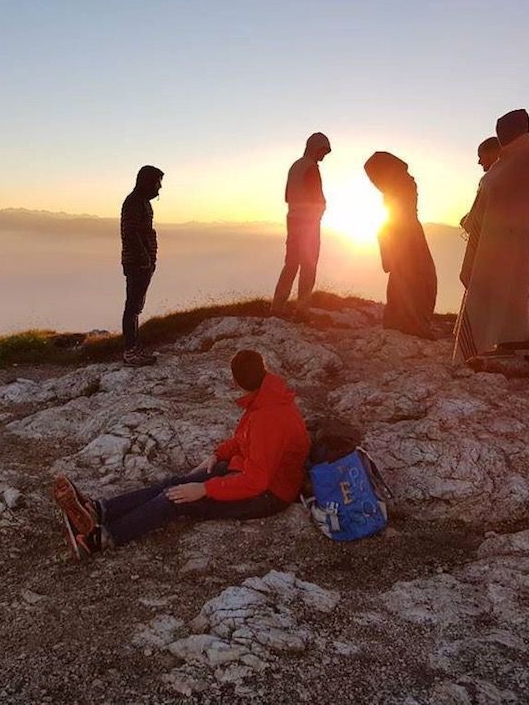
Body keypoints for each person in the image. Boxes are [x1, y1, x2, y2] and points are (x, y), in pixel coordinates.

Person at [51, 350, 310, 560]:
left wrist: (205, 489)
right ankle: (99, 510)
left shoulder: (268, 416)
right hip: (248, 472)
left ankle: (100, 539)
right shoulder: (268, 398)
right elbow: (245, 440)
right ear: (264, 370)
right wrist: (217, 454)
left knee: (177, 499)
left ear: (235, 381)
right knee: (175, 483)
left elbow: (257, 481)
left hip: (268, 494)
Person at [453, 110, 529, 361]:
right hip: (494, 238)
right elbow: (492, 189)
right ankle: (486, 343)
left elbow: (500, 191)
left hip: (505, 241)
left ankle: (498, 341)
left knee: (499, 288)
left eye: (505, 131)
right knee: (485, 289)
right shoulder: (507, 160)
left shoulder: (527, 157)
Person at [364, 152, 437, 339]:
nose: (412, 180)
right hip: (406, 236)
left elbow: (393, 220)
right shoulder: (397, 189)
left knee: (414, 278)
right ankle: (412, 323)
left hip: (407, 235)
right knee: (413, 279)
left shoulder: (398, 187)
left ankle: (406, 321)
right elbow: (394, 220)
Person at [270, 132, 331, 318]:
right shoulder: (311, 168)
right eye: (323, 151)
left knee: (291, 264)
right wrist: (320, 211)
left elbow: (287, 196)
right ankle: (302, 310)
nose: (324, 156)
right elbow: (317, 197)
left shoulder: (295, 166)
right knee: (309, 265)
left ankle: (277, 307)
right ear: (315, 148)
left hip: (293, 219)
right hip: (309, 223)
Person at [120, 165, 163, 366]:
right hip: (138, 263)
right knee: (133, 308)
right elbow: (131, 233)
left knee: (135, 307)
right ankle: (130, 352)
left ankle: (134, 349)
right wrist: (145, 258)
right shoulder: (134, 203)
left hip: (141, 262)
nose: (159, 187)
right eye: (157, 182)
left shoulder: (140, 202)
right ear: (147, 182)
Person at [458, 136, 502, 287]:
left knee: (472, 281)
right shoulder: (503, 178)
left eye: (480, 156)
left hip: (483, 248)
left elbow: (473, 222)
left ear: (492, 153)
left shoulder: (488, 181)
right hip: (495, 249)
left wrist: (465, 221)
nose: (479, 162)